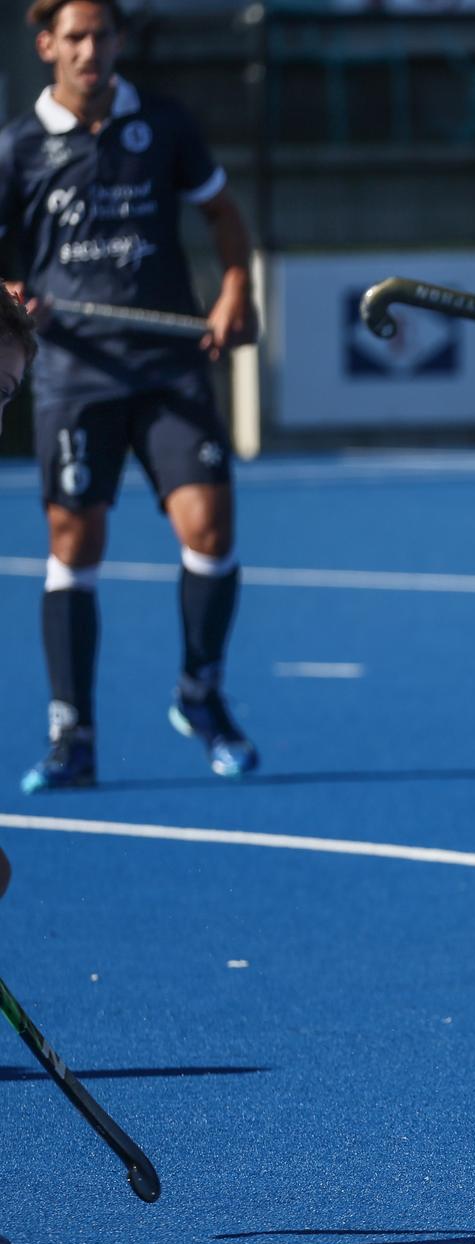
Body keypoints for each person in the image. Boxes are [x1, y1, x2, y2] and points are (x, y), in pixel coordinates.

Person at [2, 0, 260, 794]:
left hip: (169, 362)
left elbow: (222, 216)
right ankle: (72, 730)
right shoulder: (18, 147)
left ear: (118, 42)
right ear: (47, 46)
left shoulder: (165, 125)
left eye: (102, 35)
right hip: (75, 372)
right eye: (74, 38)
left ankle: (199, 691)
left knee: (209, 526)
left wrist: (233, 292)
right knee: (75, 543)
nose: (90, 50)